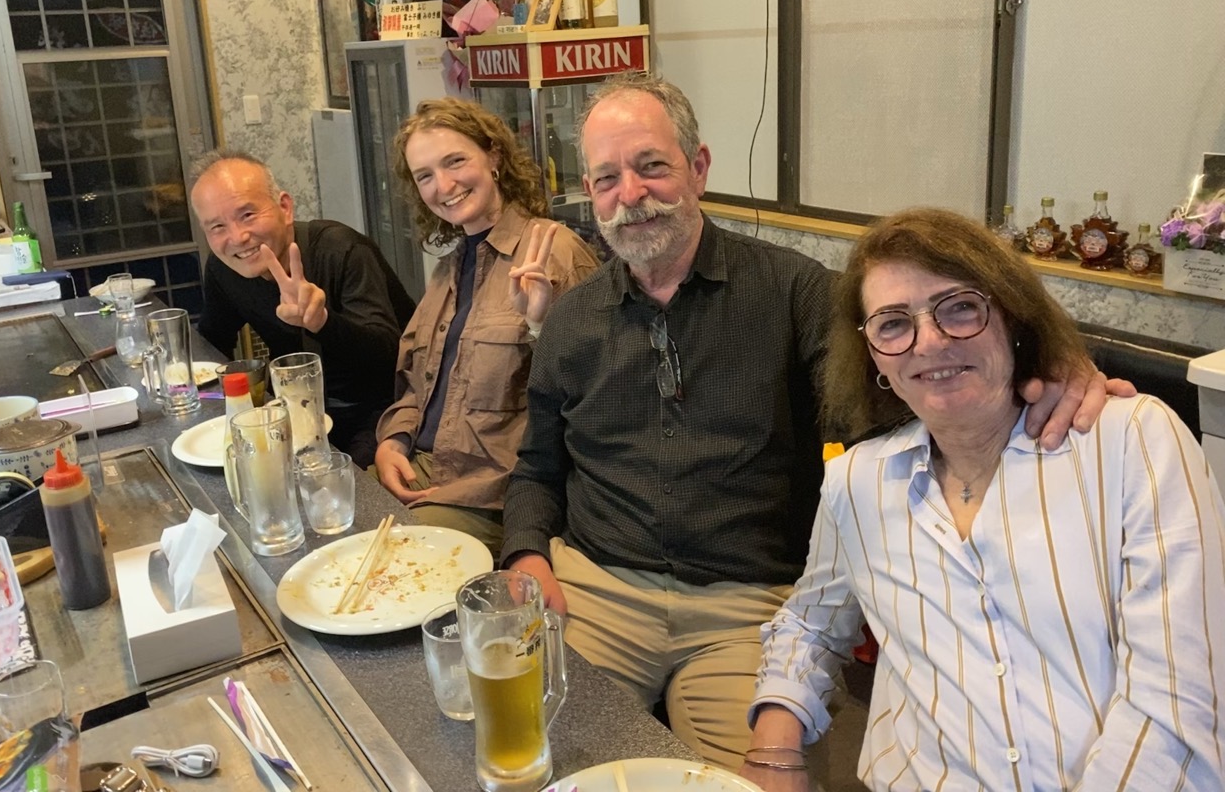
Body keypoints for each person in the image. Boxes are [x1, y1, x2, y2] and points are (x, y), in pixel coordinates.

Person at [500, 72, 1123, 770]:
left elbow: (907, 388)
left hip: (746, 606)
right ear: (590, 191)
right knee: (536, 759)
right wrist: (526, 552)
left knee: (751, 780)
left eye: (652, 167)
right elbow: (538, 467)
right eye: (607, 178)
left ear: (698, 168)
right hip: (597, 593)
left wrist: (1048, 363)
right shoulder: (573, 319)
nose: (631, 195)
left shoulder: (795, 293)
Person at [744, 207, 1225, 791]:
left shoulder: (1133, 443)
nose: (931, 342)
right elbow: (811, 624)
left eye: (960, 307)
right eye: (893, 324)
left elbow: (1176, 701)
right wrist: (774, 751)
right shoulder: (859, 481)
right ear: (872, 356)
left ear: (1012, 315)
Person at [374, 99, 598, 555]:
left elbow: (596, 398)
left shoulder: (554, 252)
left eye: (455, 161)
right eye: (425, 175)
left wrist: (541, 325)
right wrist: (393, 442)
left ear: (493, 156)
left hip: (494, 496)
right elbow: (419, 385)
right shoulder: (451, 266)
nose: (445, 185)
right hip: (421, 468)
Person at [191, 150, 415, 468]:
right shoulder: (225, 269)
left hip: (380, 410)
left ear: (284, 207)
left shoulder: (341, 250)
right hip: (298, 411)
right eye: (217, 227)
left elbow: (390, 354)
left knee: (341, 493)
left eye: (247, 215)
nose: (237, 238)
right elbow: (213, 342)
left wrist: (322, 322)